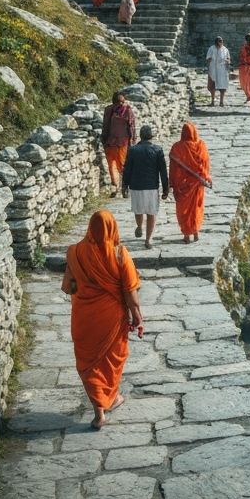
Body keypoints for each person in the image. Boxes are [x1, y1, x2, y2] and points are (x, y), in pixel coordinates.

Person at [61, 211, 142, 430]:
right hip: (111, 318)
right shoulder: (119, 254)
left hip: (84, 317)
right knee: (111, 359)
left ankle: (99, 412)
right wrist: (137, 315)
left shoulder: (74, 252)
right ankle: (112, 398)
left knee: (90, 363)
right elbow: (130, 293)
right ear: (112, 228)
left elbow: (67, 287)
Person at [121, 125, 168, 249]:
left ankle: (139, 226)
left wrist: (124, 186)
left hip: (136, 186)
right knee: (151, 213)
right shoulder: (158, 150)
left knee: (138, 210)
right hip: (151, 186)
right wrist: (166, 189)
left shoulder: (133, 150)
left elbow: (127, 170)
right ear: (151, 137)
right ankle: (148, 239)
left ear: (140, 137)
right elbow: (163, 171)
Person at [169, 122, 213, 244]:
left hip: (182, 184)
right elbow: (205, 165)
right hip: (197, 183)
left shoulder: (177, 148)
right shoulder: (201, 146)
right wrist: (207, 177)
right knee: (196, 208)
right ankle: (196, 232)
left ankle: (187, 235)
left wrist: (171, 182)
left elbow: (173, 168)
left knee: (183, 210)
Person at [101, 91, 136, 191]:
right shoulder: (108, 110)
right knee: (112, 165)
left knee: (122, 165)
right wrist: (104, 139)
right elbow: (105, 125)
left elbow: (132, 127)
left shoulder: (128, 111)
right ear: (113, 102)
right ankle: (115, 186)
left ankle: (124, 186)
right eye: (118, 101)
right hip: (110, 142)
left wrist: (132, 140)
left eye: (122, 102)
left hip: (123, 143)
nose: (121, 104)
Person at [206, 36, 231, 107]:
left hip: (222, 70)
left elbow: (229, 59)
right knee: (212, 86)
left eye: (221, 41)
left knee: (222, 87)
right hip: (213, 69)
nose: (219, 43)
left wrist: (227, 61)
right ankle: (212, 101)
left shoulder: (225, 50)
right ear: (216, 42)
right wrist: (211, 60)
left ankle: (221, 102)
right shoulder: (211, 49)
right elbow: (208, 58)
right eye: (218, 41)